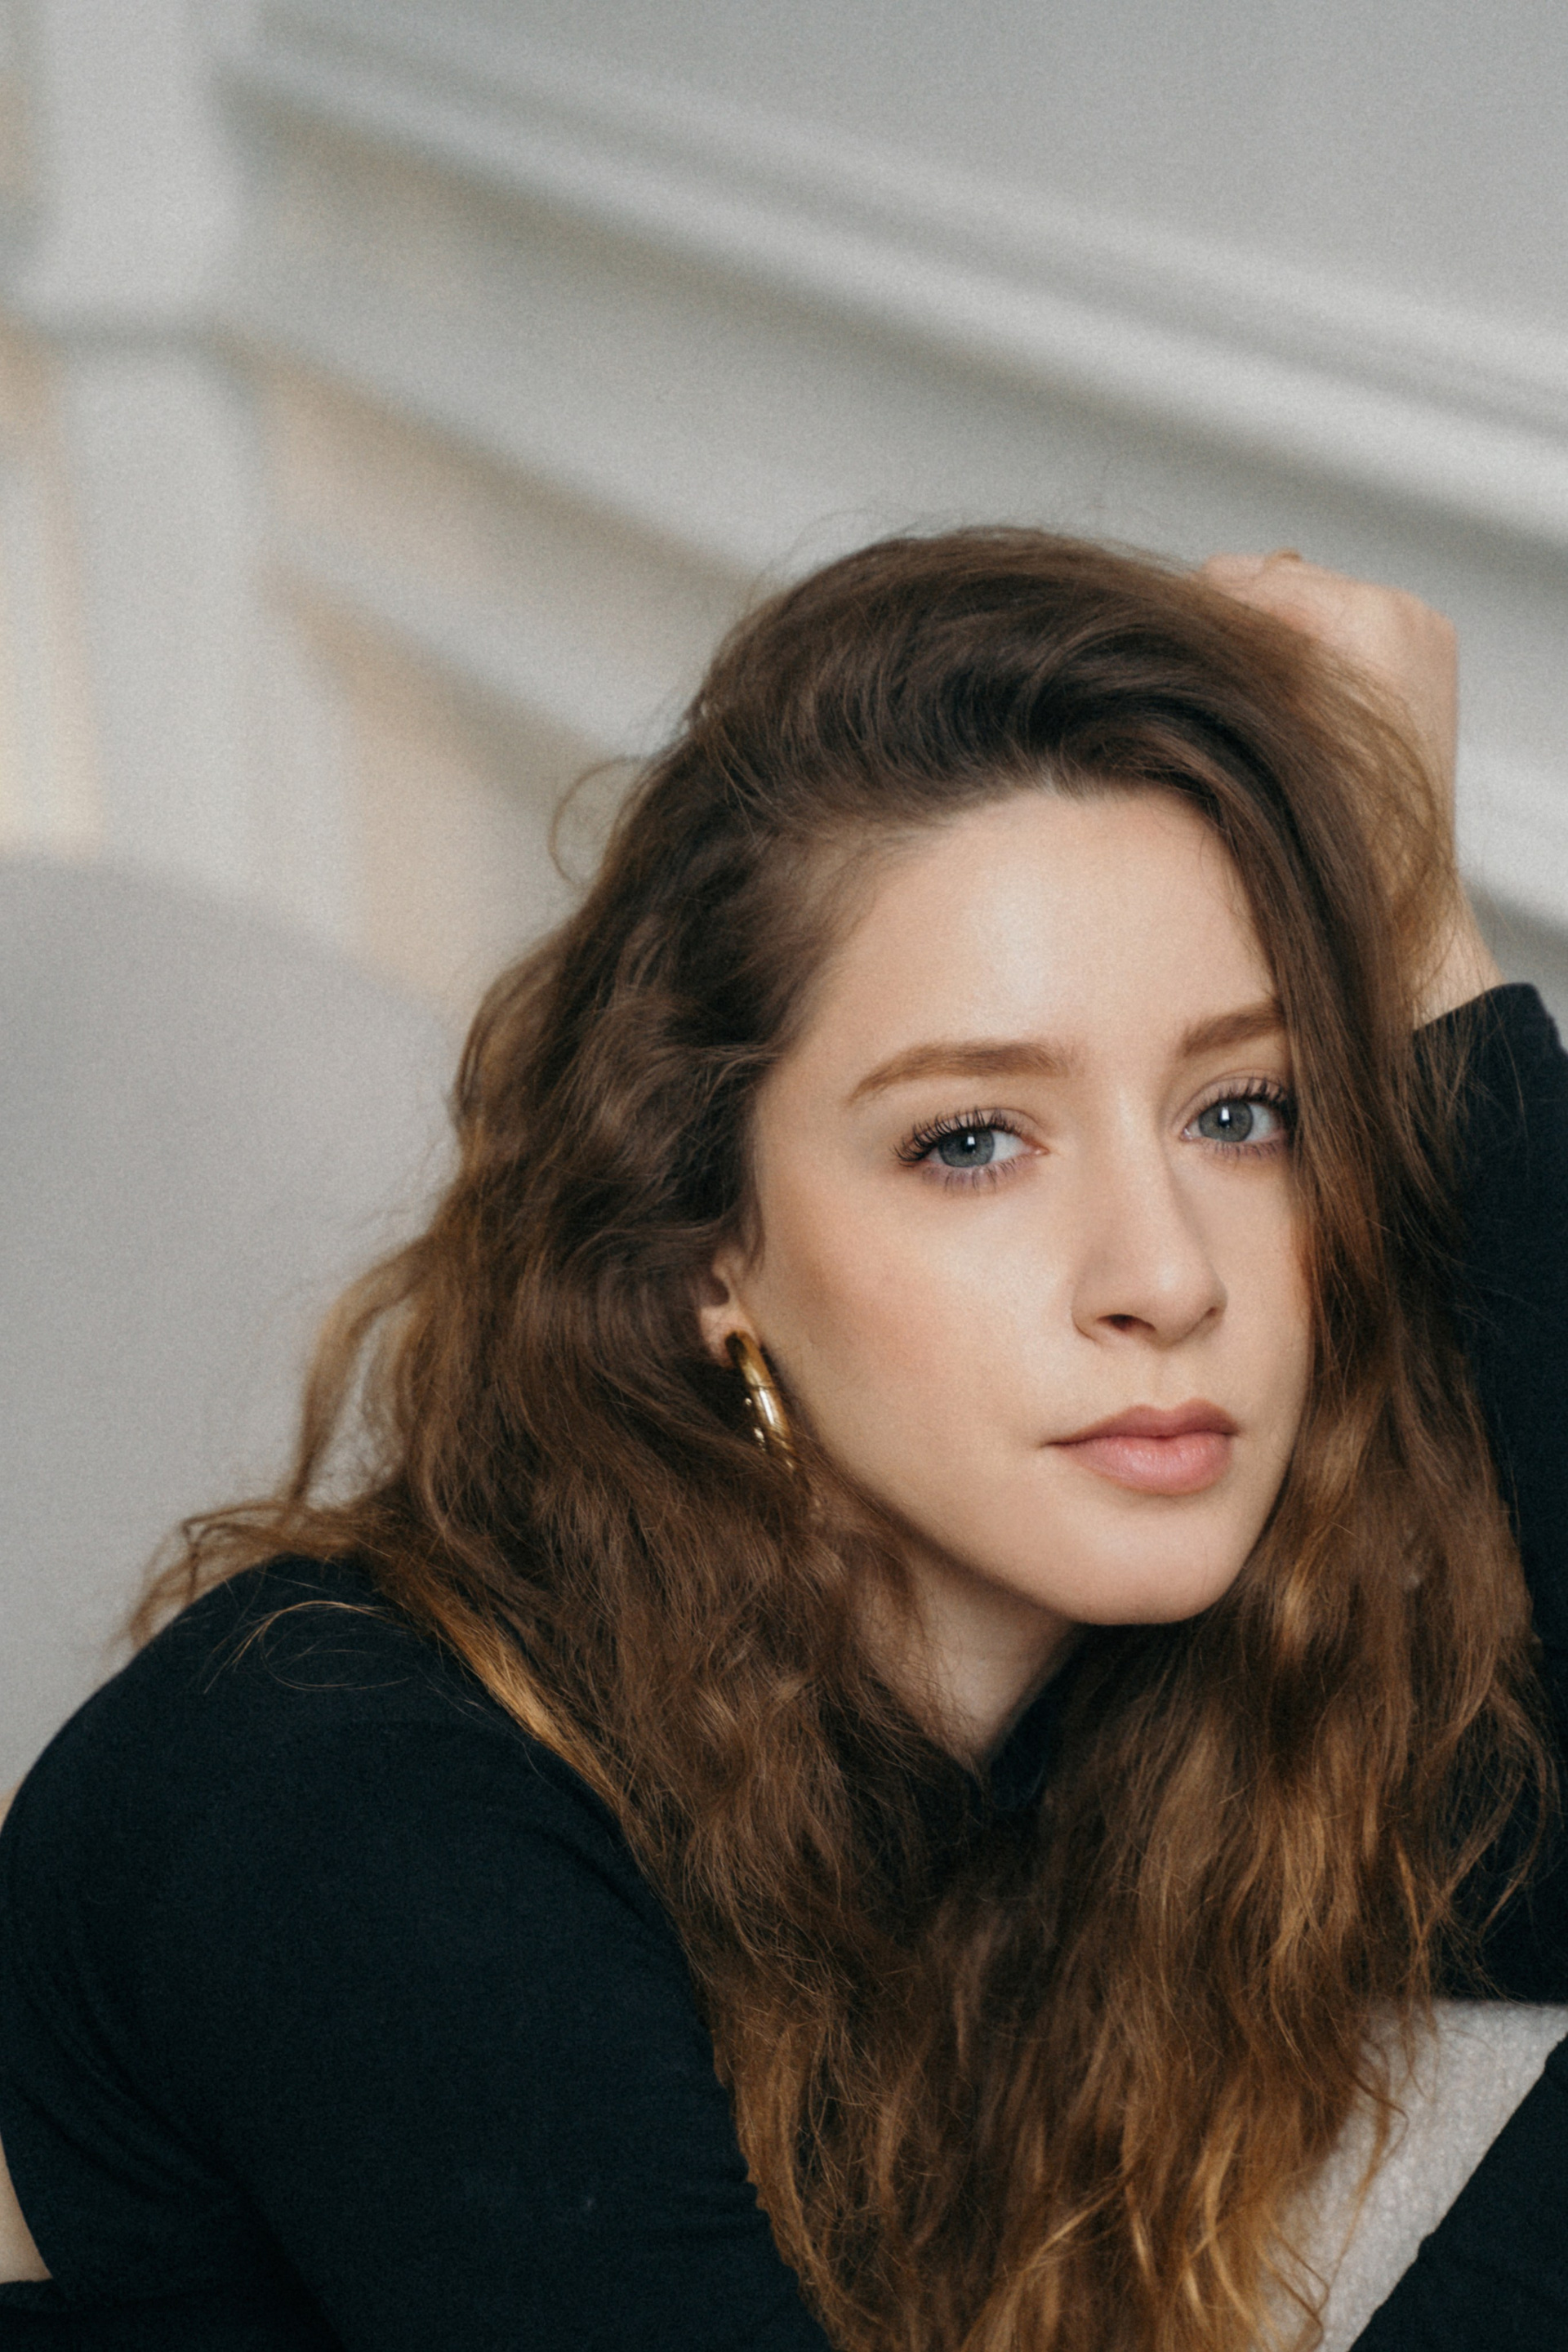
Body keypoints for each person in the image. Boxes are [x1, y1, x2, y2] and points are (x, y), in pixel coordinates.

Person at [1, 531, 1565, 2352]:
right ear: (709, 1251)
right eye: (971, 1141)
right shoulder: (349, 1801)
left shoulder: (1155, 1746)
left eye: (1246, 1110)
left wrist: (1420, 933)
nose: (1166, 1276)